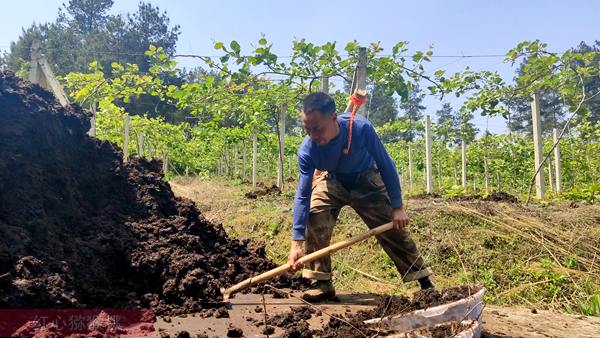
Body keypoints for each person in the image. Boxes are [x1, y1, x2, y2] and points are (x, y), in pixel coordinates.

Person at [287, 91, 434, 302]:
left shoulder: (360, 128)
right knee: (315, 212)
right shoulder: (308, 150)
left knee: (393, 227)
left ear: (333, 117)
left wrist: (397, 206)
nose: (313, 135)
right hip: (333, 180)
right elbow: (302, 195)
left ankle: (424, 282)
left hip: (366, 180)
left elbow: (385, 164)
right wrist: (296, 243)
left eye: (317, 128)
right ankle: (322, 282)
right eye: (307, 129)